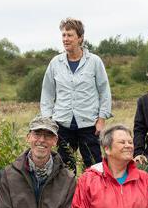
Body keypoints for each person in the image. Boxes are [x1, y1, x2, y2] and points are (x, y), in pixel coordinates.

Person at [40, 18, 112, 173]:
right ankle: (68, 197)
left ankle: (94, 196)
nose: (65, 39)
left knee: (94, 167)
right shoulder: (55, 63)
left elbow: (104, 91)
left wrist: (101, 119)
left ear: (80, 38)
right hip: (63, 125)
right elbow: (47, 93)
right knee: (63, 169)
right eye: (63, 35)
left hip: (89, 125)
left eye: (70, 35)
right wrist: (48, 120)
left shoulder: (94, 62)